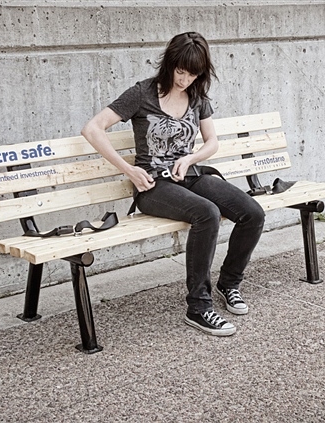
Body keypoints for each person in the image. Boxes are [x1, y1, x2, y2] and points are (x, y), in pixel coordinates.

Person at [81, 32, 265, 336]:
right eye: (181, 71)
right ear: (169, 63)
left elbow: (212, 141)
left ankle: (229, 284)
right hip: (153, 186)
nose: (185, 79)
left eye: (192, 74)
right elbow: (92, 128)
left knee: (253, 213)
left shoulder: (197, 95)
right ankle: (198, 307)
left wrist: (191, 158)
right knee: (206, 213)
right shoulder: (142, 93)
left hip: (190, 175)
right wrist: (128, 169)